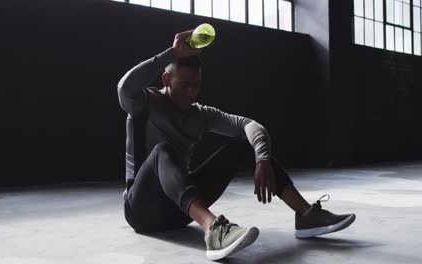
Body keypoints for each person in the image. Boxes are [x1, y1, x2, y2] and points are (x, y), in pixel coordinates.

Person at [116, 29, 355, 260]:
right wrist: (172, 53)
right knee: (163, 150)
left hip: (179, 211)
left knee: (243, 145)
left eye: (196, 85)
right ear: (166, 79)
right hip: (141, 210)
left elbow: (250, 126)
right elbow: (125, 87)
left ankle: (305, 215)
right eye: (185, 85)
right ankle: (213, 229)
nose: (192, 93)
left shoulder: (201, 114)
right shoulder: (145, 103)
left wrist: (261, 159)